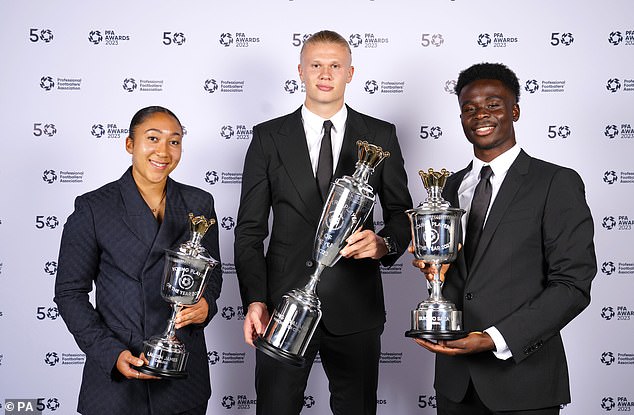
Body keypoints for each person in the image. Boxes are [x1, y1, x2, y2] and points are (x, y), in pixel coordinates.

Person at [234, 30, 412, 415]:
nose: (325, 73)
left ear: (350, 73)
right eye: (316, 65)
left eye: (335, 65)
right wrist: (255, 300)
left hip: (355, 306)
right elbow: (249, 230)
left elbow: (401, 214)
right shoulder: (268, 138)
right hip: (282, 306)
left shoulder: (381, 135)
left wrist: (384, 244)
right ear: (301, 71)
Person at [411, 62, 596, 414]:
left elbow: (572, 284)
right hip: (455, 384)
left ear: (515, 111)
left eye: (493, 105)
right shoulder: (448, 188)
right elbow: (462, 276)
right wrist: (433, 270)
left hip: (524, 381)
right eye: (469, 108)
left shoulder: (555, 182)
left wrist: (494, 338)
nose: (481, 114)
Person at [54, 106, 222, 415]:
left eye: (174, 141)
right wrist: (110, 352)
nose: (163, 151)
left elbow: (212, 276)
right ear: (130, 144)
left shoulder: (199, 202)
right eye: (153, 138)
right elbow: (69, 294)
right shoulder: (93, 208)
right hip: (117, 377)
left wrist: (206, 305)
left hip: (183, 377)